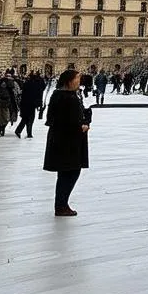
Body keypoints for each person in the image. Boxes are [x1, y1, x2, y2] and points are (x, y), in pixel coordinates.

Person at [43, 69, 90, 216]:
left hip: (61, 140)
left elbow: (51, 119)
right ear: (69, 81)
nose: (79, 81)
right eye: (77, 78)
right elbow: (69, 121)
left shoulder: (58, 95)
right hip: (68, 142)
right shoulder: (68, 98)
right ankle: (61, 205)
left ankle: (61, 204)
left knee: (65, 173)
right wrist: (83, 125)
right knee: (71, 172)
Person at [16, 70, 45, 138]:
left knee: (25, 118)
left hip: (25, 103)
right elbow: (42, 89)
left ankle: (21, 131)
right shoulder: (35, 85)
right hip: (31, 104)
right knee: (29, 119)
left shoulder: (27, 83)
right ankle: (27, 133)